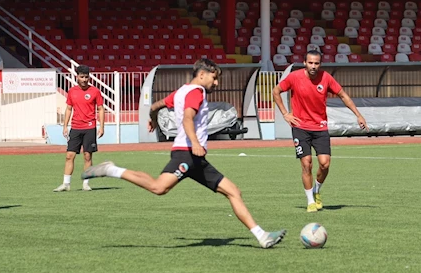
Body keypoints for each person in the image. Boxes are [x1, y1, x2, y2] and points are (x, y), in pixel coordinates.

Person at [82, 58, 286, 249]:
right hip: (187, 154)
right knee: (158, 187)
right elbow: (188, 118)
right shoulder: (196, 92)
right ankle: (111, 169)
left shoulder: (181, 91)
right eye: (214, 78)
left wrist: (153, 118)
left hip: (195, 158)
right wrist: (195, 143)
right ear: (203, 74)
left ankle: (262, 236)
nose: (216, 83)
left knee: (233, 191)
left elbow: (155, 106)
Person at [272, 50, 368, 213]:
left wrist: (358, 115)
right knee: (306, 163)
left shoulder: (326, 78)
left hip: (320, 127)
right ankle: (310, 202)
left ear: (320, 64)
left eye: (316, 63)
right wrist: (285, 114)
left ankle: (316, 190)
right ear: (304, 63)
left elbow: (343, 95)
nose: (313, 66)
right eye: (310, 62)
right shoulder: (294, 77)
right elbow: (276, 91)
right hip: (300, 127)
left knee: (325, 164)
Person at [54, 65, 105, 192]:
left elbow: (100, 109)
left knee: (87, 156)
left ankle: (86, 184)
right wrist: (65, 126)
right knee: (69, 155)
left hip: (90, 127)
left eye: (86, 77)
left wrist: (101, 126)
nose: (84, 79)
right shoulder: (72, 91)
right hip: (75, 127)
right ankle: (66, 184)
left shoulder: (95, 91)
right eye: (82, 77)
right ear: (77, 77)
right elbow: (69, 109)